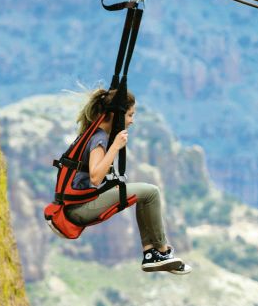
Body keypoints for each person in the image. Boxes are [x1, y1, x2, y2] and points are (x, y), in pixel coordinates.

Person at [65, 88, 190, 275]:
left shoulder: (93, 133)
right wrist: (115, 146)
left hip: (78, 204)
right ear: (116, 115)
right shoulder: (99, 138)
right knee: (151, 192)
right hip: (79, 209)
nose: (132, 120)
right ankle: (161, 251)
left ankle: (150, 253)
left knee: (144, 195)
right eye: (130, 115)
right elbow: (95, 177)